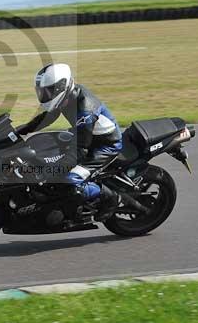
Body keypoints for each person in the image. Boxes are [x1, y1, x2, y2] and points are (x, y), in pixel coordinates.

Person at [15, 63, 122, 220]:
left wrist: (54, 171)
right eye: (42, 91)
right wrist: (22, 130)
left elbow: (81, 151)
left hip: (103, 146)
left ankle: (110, 196)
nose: (44, 94)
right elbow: (50, 116)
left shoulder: (85, 110)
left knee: (69, 181)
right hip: (84, 136)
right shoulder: (67, 96)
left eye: (48, 91)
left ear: (61, 87)